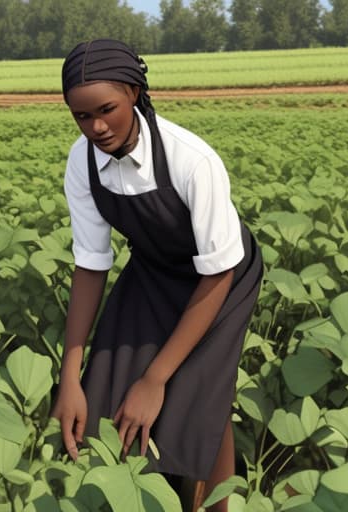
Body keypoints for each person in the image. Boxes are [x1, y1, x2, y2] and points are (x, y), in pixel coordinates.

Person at [51, 38, 263, 512]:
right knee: (104, 390)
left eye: (106, 109)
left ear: (134, 92)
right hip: (153, 269)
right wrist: (69, 375)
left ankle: (215, 507)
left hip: (222, 277)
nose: (97, 127)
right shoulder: (82, 163)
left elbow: (217, 271)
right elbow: (90, 264)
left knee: (198, 393)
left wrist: (157, 378)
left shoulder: (193, 160)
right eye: (81, 116)